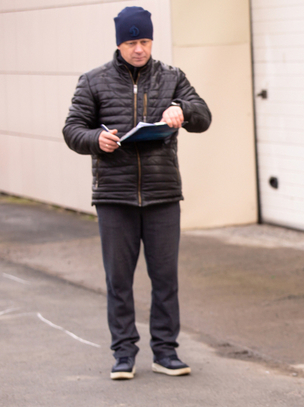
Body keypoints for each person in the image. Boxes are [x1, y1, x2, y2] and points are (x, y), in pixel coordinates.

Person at [63, 6, 211, 380]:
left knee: (165, 278)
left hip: (162, 196)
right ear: (120, 43)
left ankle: (165, 352)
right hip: (115, 198)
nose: (139, 49)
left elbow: (203, 115)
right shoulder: (93, 81)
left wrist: (183, 110)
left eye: (144, 41)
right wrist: (97, 138)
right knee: (119, 280)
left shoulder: (172, 77)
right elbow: (72, 130)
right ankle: (123, 353)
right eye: (132, 42)